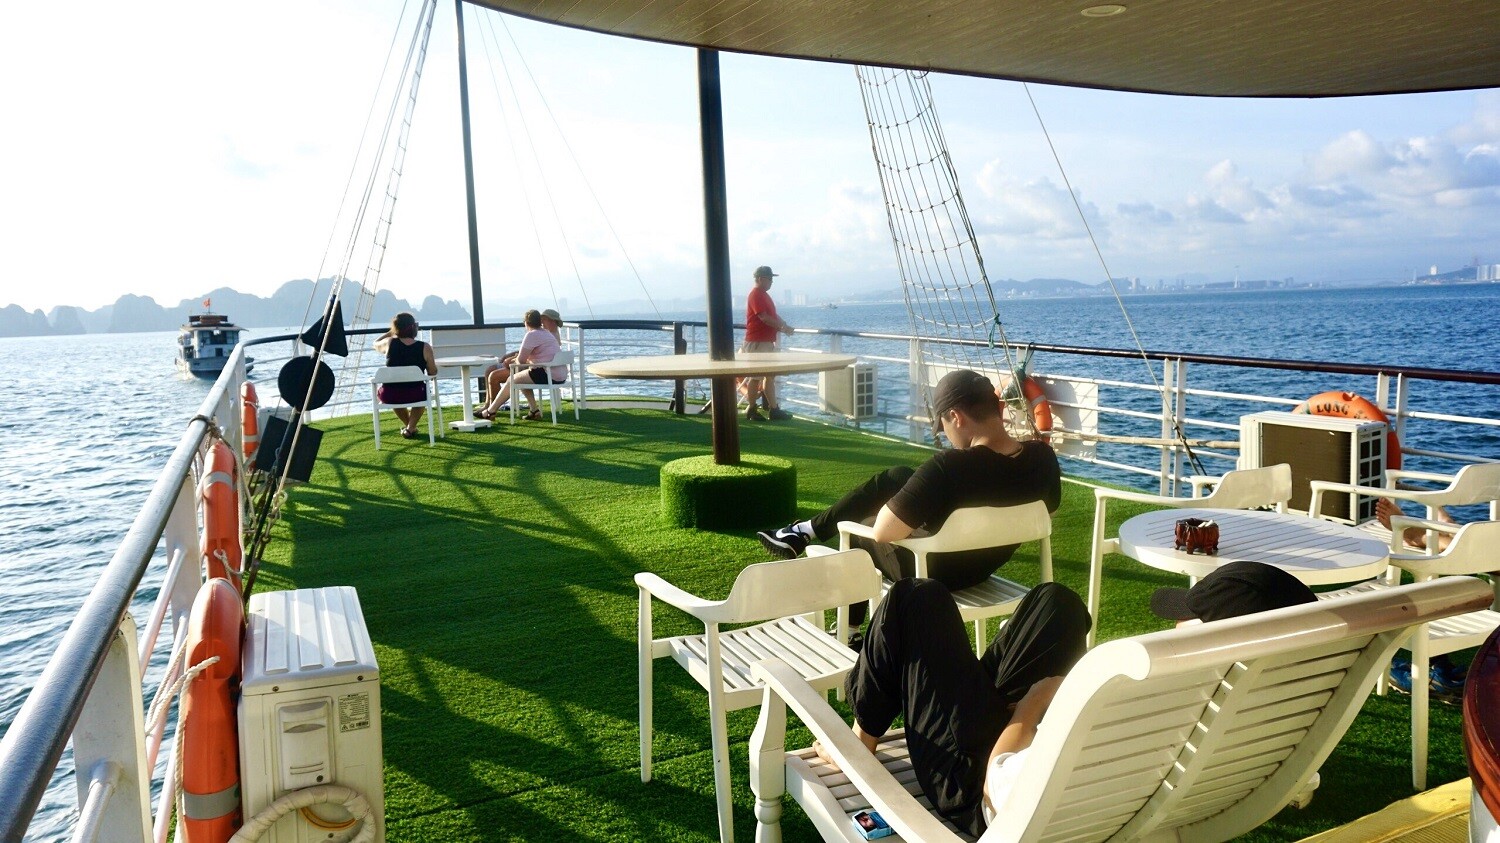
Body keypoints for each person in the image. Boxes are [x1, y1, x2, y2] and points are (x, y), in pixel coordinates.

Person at [836, 561, 1316, 836]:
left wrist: (1033, 709)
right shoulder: (1277, 712)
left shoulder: (1139, 706)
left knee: (915, 598)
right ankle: (949, 687)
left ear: (1204, 635)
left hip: (978, 786)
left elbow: (999, 789)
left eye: (1185, 618)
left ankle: (861, 735)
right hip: (1089, 780)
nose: (1173, 624)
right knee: (1056, 603)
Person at [758, 368, 1061, 622]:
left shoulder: (950, 466)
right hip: (982, 568)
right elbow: (1045, 515)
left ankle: (849, 633)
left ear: (956, 416)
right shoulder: (1043, 459)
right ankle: (803, 530)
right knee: (898, 477)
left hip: (933, 572)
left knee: (861, 530)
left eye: (942, 427)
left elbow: (884, 532)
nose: (946, 436)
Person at [477, 309, 566, 421]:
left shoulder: (531, 335)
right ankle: (534, 410)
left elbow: (521, 360)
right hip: (559, 375)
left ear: (526, 323)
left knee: (511, 379)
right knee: (520, 377)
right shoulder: (547, 333)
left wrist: (511, 362)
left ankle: (490, 411)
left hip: (548, 374)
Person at [373, 311, 438, 439]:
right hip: (416, 394)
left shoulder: (389, 343)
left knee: (395, 393)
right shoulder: (425, 347)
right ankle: (410, 427)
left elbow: (375, 343)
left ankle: (409, 427)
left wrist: (392, 332)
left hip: (390, 395)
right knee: (424, 394)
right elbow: (432, 372)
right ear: (413, 327)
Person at [741, 265, 794, 421]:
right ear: (760, 279)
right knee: (755, 377)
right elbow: (763, 317)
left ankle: (773, 408)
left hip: (765, 341)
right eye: (770, 279)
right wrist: (783, 327)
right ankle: (752, 409)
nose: (771, 282)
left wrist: (783, 324)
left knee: (769, 376)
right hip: (757, 341)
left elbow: (772, 315)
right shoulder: (756, 294)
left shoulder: (763, 295)